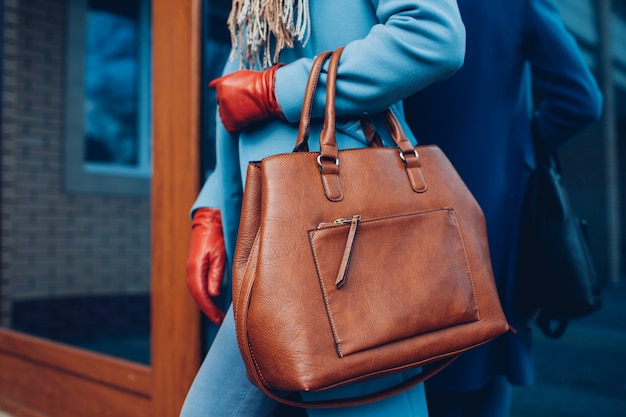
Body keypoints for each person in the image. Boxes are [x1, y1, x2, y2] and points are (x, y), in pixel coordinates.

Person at [180, 1, 467, 416]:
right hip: (270, 240)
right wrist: (212, 208)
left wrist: (275, 91)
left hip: (348, 241)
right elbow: (241, 80)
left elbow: (434, 34)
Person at [402, 0, 603, 416]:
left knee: (414, 373)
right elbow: (582, 98)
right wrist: (520, 150)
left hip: (404, 202)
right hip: (492, 211)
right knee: (488, 371)